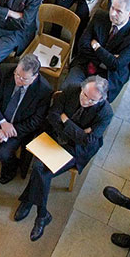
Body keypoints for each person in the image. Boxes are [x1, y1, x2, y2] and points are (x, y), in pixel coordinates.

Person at [14, 76, 113, 240]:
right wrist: (78, 131)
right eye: (84, 95)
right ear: (82, 88)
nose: (85, 101)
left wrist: (66, 120)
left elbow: (87, 141)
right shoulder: (71, 89)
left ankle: (35, 207)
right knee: (40, 169)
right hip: (55, 136)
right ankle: (41, 213)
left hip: (76, 149)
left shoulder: (106, 112)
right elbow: (53, 115)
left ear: (102, 99)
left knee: (41, 169)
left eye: (92, 100)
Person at [0, 54, 52, 183]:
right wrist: (2, 123)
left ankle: (10, 170)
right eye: (17, 74)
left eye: (24, 79)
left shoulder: (44, 90)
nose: (18, 80)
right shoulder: (5, 70)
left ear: (34, 77)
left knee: (5, 154)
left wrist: (10, 129)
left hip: (17, 127)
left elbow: (36, 120)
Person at [65, 0, 130, 100]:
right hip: (85, 64)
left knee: (92, 101)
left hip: (108, 75)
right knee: (67, 91)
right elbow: (82, 45)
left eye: (118, 11)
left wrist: (97, 47)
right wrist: (107, 60)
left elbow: (117, 65)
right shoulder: (100, 16)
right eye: (112, 8)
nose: (112, 13)